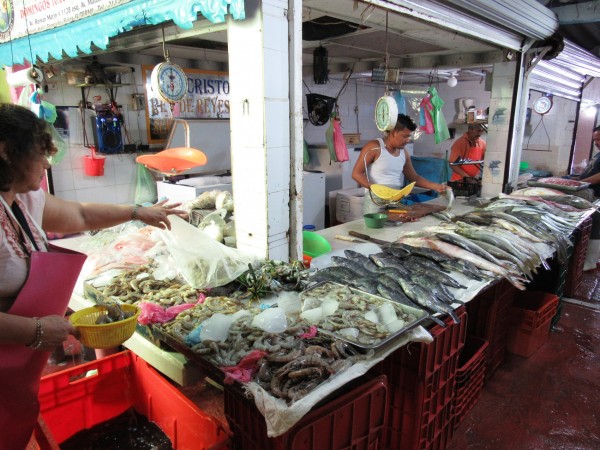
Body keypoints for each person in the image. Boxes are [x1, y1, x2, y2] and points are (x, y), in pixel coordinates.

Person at [0, 103, 187, 450]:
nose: (45, 164)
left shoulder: (23, 199)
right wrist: (36, 330)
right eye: (39, 154)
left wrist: (137, 211)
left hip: (19, 367)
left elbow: (81, 215)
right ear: (7, 152)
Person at [351, 113, 447, 214]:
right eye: (405, 136)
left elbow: (414, 177)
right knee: (374, 228)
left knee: (397, 226)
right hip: (376, 200)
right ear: (393, 132)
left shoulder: (403, 153)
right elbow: (356, 174)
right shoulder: (374, 147)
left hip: (396, 198)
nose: (408, 140)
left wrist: (437, 186)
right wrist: (377, 189)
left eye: (409, 136)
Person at [577, 125, 600, 270]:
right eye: (595, 139)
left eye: (599, 139)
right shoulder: (599, 154)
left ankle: (591, 262)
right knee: (593, 226)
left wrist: (579, 183)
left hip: (598, 197)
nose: (597, 142)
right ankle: (593, 259)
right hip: (592, 195)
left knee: (596, 227)